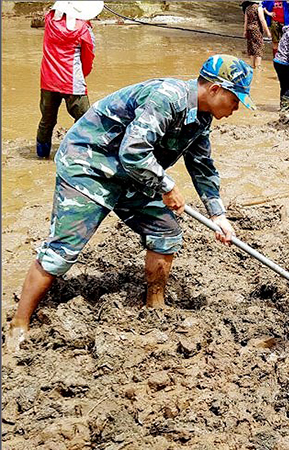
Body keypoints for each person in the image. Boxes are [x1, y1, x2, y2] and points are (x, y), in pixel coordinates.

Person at [5, 55, 256, 352]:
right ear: (215, 90)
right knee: (62, 250)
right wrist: (167, 186)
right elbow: (134, 151)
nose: (237, 107)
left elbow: (202, 166)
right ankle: (19, 323)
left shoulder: (201, 119)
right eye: (236, 98)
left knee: (166, 232)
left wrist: (219, 215)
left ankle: (155, 305)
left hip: (133, 173)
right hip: (89, 166)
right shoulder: (167, 98)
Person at [36, 1, 104, 159]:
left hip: (48, 80)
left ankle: (41, 157)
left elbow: (54, 10)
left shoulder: (50, 21)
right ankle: (75, 154)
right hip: (72, 82)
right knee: (86, 120)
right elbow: (88, 59)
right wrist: (83, 76)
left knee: (47, 120)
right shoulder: (83, 30)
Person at [244, 0, 271, 69]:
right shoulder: (259, 8)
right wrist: (267, 31)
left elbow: (246, 21)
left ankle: (252, 65)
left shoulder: (247, 8)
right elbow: (262, 20)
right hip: (256, 29)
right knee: (259, 46)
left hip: (249, 29)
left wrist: (244, 31)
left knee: (251, 46)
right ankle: (258, 65)